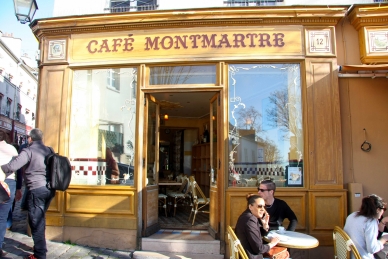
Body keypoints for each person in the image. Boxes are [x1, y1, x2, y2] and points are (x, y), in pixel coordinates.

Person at [1, 128, 56, 259]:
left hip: (36, 189)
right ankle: (40, 247)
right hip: (49, 190)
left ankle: (39, 254)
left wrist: (1, 168)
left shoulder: (29, 150)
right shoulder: (49, 150)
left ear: (30, 138)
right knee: (40, 219)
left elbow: (13, 166)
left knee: (36, 221)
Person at [235, 193, 280, 259]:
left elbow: (255, 236)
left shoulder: (247, 216)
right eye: (259, 206)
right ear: (250, 207)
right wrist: (272, 243)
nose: (263, 209)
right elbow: (259, 249)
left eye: (264, 206)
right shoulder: (250, 220)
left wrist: (265, 225)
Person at [343, 194, 388, 259]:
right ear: (378, 210)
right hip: (361, 256)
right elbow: (372, 249)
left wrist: (382, 222)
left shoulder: (352, 215)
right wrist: (384, 239)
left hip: (348, 255)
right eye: (384, 209)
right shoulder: (370, 222)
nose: (383, 212)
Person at [0, 130, 19, 257]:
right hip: (8, 182)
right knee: (2, 216)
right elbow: (19, 170)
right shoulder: (12, 149)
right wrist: (19, 188)